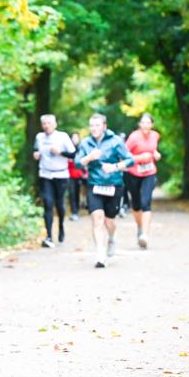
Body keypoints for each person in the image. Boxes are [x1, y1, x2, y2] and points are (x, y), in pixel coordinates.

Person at [74, 114, 134, 268]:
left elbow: (130, 159)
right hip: (94, 185)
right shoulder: (86, 143)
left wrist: (114, 167)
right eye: (91, 125)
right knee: (97, 219)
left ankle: (112, 237)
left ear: (104, 126)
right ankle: (100, 254)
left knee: (109, 221)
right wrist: (89, 157)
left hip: (114, 185)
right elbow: (77, 164)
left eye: (97, 125)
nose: (94, 128)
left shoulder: (115, 141)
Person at [33, 114, 75, 247]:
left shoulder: (63, 136)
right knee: (48, 203)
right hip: (45, 174)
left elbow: (74, 154)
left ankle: (61, 226)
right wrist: (36, 154)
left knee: (59, 204)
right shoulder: (39, 137)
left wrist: (60, 152)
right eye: (44, 123)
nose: (47, 126)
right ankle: (49, 236)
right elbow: (35, 150)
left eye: (49, 123)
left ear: (55, 124)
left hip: (61, 175)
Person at [125, 113, 161, 248]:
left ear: (152, 124)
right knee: (136, 204)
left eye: (148, 123)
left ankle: (144, 235)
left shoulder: (155, 135)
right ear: (139, 124)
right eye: (143, 123)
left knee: (146, 202)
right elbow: (123, 154)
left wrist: (156, 154)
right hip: (133, 173)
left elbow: (153, 149)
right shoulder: (134, 137)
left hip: (149, 172)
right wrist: (139, 158)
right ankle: (140, 227)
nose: (146, 125)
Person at [66, 131, 85, 221]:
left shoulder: (81, 149)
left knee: (77, 192)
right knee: (72, 192)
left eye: (76, 138)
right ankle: (74, 212)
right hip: (69, 174)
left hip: (79, 174)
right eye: (73, 138)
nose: (75, 140)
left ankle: (77, 210)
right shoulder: (68, 149)